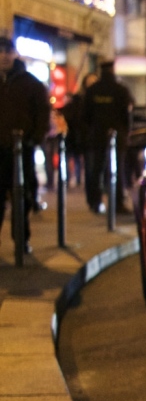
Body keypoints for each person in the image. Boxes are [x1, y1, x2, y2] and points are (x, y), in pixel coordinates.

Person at [0, 35, 51, 254]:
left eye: (8, 52)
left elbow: (42, 114)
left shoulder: (30, 83)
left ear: (15, 54)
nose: (4, 56)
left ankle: (22, 240)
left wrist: (34, 139)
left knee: (23, 197)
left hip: (22, 150)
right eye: (1, 52)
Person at [82, 61, 133, 215]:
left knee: (96, 170)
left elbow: (86, 115)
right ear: (112, 70)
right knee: (117, 171)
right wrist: (124, 132)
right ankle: (117, 204)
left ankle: (95, 202)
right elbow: (127, 115)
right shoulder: (121, 90)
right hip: (117, 136)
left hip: (97, 136)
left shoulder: (92, 90)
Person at [61, 72, 96, 188]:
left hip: (97, 136)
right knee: (87, 165)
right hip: (83, 137)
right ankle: (88, 187)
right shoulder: (79, 100)